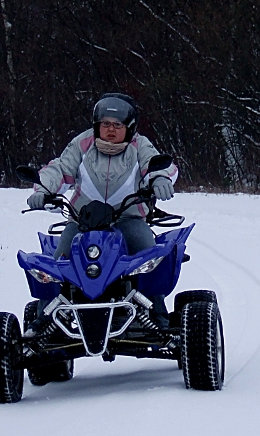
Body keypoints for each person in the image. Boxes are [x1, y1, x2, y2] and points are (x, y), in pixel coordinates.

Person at [25, 93, 178, 332]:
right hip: (82, 221)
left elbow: (157, 163)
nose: (110, 130)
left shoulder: (139, 145)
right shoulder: (82, 143)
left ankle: (157, 314)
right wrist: (43, 189)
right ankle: (44, 320)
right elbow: (60, 168)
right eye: (105, 124)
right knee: (57, 265)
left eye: (117, 125)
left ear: (129, 127)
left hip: (128, 218)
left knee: (150, 258)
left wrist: (159, 178)